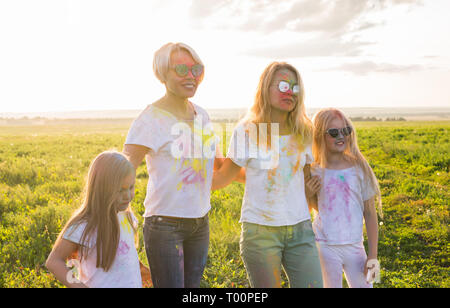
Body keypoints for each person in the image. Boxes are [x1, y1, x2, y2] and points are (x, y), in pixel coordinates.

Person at [212, 61, 323, 288]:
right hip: (260, 232)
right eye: (282, 85)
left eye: (295, 87)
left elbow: (305, 180)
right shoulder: (248, 130)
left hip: (301, 229)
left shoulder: (305, 130)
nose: (290, 92)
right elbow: (225, 177)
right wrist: (184, 176)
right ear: (265, 88)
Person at [123, 42, 218, 288]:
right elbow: (121, 174)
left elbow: (211, 169)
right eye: (181, 70)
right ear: (163, 74)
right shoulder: (149, 119)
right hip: (164, 226)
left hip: (201, 222)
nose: (191, 76)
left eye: (196, 69)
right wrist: (123, 231)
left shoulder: (202, 115)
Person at [306, 108, 382, 288]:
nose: (341, 136)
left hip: (356, 246)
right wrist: (307, 193)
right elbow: (310, 208)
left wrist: (373, 256)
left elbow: (370, 214)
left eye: (346, 130)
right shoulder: (314, 170)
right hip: (325, 246)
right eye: (333, 132)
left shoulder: (359, 168)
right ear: (319, 135)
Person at [45, 151, 145, 288]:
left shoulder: (127, 216)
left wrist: (143, 272)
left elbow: (125, 255)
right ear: (102, 189)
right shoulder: (85, 224)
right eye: (121, 190)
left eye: (131, 187)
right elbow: (54, 261)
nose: (128, 196)